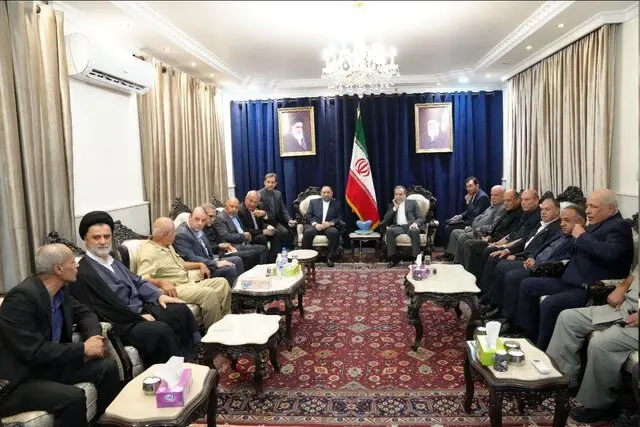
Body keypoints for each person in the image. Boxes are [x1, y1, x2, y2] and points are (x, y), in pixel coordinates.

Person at [0, 244, 120, 426]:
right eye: (72, 262)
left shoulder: (61, 291)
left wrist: (92, 339)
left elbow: (86, 314)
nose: (77, 265)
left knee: (106, 367)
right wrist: (83, 349)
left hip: (49, 366)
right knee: (72, 397)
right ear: (58, 269)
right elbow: (33, 351)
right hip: (21, 379)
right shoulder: (21, 298)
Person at [71, 211, 200, 366]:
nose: (103, 241)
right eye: (96, 237)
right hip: (122, 323)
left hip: (140, 310)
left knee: (179, 310)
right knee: (160, 330)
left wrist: (158, 295)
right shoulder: (84, 272)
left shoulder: (113, 261)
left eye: (106, 236)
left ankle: (193, 357)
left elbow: (137, 282)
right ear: (85, 239)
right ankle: (173, 370)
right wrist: (138, 317)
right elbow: (103, 309)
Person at [515, 189, 634, 350]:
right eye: (587, 205)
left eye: (594, 206)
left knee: (550, 304)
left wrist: (582, 236)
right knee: (528, 284)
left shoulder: (619, 226)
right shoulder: (596, 224)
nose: (588, 211)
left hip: (587, 288)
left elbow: (610, 253)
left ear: (611, 209)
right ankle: (528, 335)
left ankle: (542, 350)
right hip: (568, 280)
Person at [547, 266, 638, 424]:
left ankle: (596, 406)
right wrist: (623, 287)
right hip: (625, 308)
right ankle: (564, 383)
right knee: (567, 318)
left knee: (601, 343)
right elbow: (636, 273)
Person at [137, 217, 232, 329]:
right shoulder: (148, 252)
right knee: (208, 293)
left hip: (188, 282)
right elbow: (142, 279)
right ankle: (215, 333)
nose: (175, 235)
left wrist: (200, 264)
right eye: (173, 232)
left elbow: (181, 264)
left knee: (222, 283)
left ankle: (226, 321)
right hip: (175, 289)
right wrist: (162, 282)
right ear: (166, 234)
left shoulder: (167, 245)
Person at [479, 196, 561, 300]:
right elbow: (525, 240)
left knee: (500, 264)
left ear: (557, 210)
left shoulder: (556, 228)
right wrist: (507, 250)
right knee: (494, 255)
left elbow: (540, 249)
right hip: (521, 252)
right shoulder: (541, 223)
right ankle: (486, 294)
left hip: (529, 259)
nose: (543, 212)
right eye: (542, 209)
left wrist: (517, 257)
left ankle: (492, 300)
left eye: (547, 209)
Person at [173, 206, 244, 286]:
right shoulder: (182, 234)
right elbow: (190, 257)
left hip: (209, 260)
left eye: (203, 220)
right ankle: (230, 292)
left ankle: (240, 289)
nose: (200, 223)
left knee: (237, 260)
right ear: (190, 218)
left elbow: (207, 248)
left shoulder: (197, 228)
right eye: (197, 219)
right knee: (230, 268)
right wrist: (215, 263)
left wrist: (216, 259)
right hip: (199, 268)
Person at [201, 203, 263, 271]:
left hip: (224, 251)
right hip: (216, 255)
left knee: (255, 253)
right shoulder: (200, 229)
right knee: (250, 255)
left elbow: (220, 239)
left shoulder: (212, 225)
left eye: (214, 216)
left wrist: (227, 246)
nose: (213, 219)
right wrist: (219, 246)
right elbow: (205, 248)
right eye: (210, 216)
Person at [213, 197, 269, 265]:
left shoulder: (235, 215)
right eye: (231, 206)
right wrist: (244, 236)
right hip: (233, 246)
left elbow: (242, 229)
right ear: (226, 206)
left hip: (244, 242)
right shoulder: (220, 218)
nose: (234, 209)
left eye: (236, 207)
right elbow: (226, 236)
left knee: (263, 248)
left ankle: (261, 268)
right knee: (259, 251)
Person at [442, 177, 492, 248]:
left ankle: (450, 252)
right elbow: (468, 211)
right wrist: (460, 216)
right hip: (468, 220)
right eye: (467, 187)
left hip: (473, 224)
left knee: (448, 228)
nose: (468, 189)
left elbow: (475, 213)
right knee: (448, 223)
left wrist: (468, 202)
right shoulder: (474, 194)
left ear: (477, 186)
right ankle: (451, 251)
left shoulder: (482, 197)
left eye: (470, 186)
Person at [381, 186, 424, 267]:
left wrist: (416, 223)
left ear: (405, 195)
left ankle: (416, 258)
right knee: (389, 231)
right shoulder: (392, 205)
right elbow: (385, 219)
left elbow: (420, 217)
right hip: (399, 227)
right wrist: (395, 208)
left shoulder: (412, 203)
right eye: (396, 194)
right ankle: (392, 258)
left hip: (410, 226)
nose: (398, 196)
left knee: (414, 231)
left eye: (400, 194)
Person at [237, 190, 285, 263]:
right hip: (251, 235)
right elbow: (245, 229)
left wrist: (264, 215)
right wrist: (262, 231)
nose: (252, 204)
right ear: (246, 198)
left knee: (277, 232)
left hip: (260, 231)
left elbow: (271, 219)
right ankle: (263, 262)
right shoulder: (240, 210)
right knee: (262, 237)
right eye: (250, 201)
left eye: (255, 202)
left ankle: (273, 260)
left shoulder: (259, 206)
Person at [302, 186, 343, 267]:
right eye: (324, 192)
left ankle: (330, 258)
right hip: (315, 226)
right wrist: (315, 224)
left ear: (332, 194)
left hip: (328, 226)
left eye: (328, 192)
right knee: (307, 232)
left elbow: (339, 218)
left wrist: (330, 223)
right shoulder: (313, 202)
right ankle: (308, 258)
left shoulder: (336, 203)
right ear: (321, 193)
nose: (326, 194)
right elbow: (308, 216)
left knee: (334, 233)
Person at [258, 173, 297, 247]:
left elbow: (283, 209)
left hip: (275, 222)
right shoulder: (259, 194)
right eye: (268, 182)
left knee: (285, 232)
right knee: (277, 234)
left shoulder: (278, 194)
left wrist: (289, 220)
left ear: (276, 183)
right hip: (264, 223)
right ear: (264, 182)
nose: (270, 184)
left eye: (272, 182)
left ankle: (283, 250)